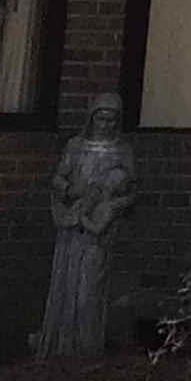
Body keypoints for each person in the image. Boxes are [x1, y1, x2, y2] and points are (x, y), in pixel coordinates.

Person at [39, 93, 136, 357]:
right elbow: (58, 179)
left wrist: (113, 204)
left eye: (111, 119)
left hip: (100, 229)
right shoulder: (76, 146)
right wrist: (72, 190)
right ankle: (62, 344)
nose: (105, 124)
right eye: (101, 118)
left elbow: (132, 190)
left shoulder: (122, 150)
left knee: (90, 288)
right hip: (73, 224)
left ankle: (87, 346)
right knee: (67, 283)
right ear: (92, 118)